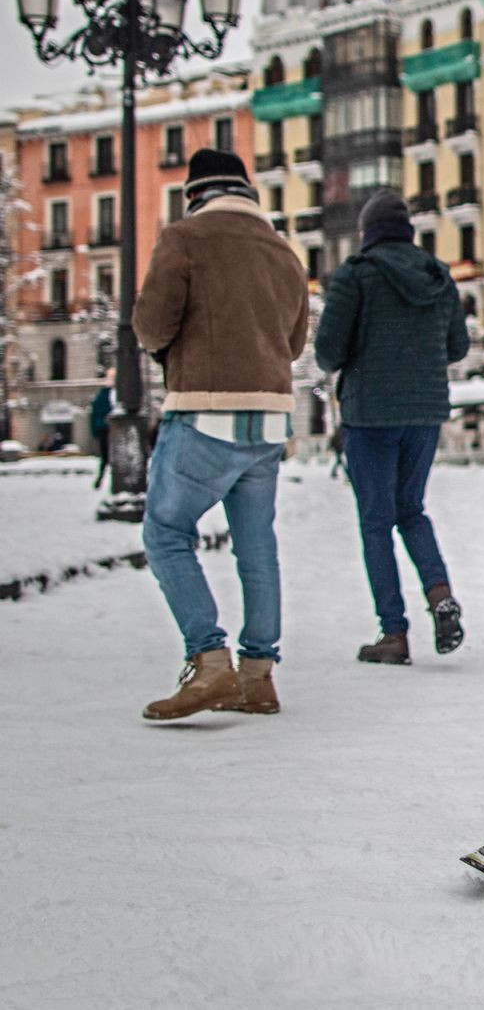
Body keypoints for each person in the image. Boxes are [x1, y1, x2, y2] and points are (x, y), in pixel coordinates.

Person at [131, 149, 309, 720]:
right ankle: (258, 677)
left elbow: (151, 324)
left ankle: (209, 661)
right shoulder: (284, 251)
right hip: (270, 419)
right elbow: (296, 340)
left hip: (206, 411)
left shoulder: (184, 238)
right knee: (257, 547)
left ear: (196, 194)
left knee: (165, 532)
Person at [314, 190, 471, 666]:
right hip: (424, 412)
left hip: (369, 416)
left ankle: (394, 632)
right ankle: (440, 594)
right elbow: (458, 347)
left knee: (377, 521)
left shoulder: (356, 276)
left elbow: (327, 353)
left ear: (367, 233)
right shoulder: (438, 276)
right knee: (412, 511)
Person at [89, 374, 113, 488]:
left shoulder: (98, 398)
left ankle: (100, 478)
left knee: (105, 457)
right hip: (111, 429)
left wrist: (94, 432)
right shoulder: (112, 397)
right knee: (113, 456)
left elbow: (93, 417)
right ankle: (112, 480)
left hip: (101, 430)